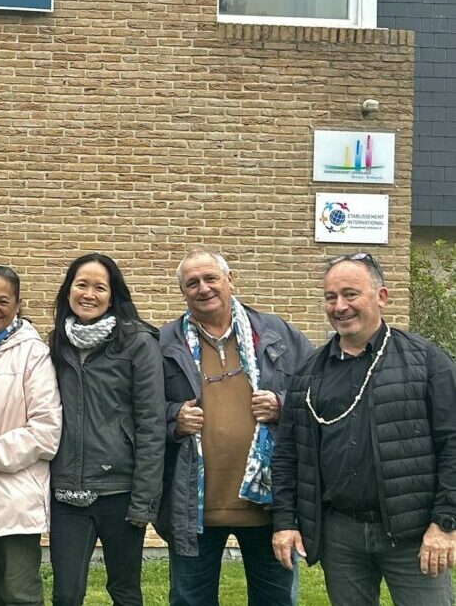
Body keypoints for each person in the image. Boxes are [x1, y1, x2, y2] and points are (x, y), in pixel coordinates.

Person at [271, 254, 456, 606]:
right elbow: (288, 454)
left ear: (381, 296)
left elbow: (453, 444)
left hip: (415, 535)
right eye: (330, 297)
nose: (339, 306)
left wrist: (445, 523)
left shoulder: (428, 361)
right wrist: (285, 520)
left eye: (350, 294)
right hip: (341, 535)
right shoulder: (309, 373)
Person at [157, 249, 312, 606]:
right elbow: (143, 409)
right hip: (194, 507)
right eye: (192, 282)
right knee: (189, 601)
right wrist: (174, 419)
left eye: (211, 278)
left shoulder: (277, 334)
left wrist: (281, 405)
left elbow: (318, 393)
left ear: (230, 280)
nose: (203, 288)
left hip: (269, 504)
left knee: (275, 601)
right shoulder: (164, 343)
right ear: (182, 292)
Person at [46, 253, 164, 606]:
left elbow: (151, 423)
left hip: (121, 490)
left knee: (125, 591)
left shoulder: (138, 343)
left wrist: (144, 501)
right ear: (68, 291)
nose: (89, 294)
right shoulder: (55, 342)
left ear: (113, 296)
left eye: (100, 287)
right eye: (81, 285)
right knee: (66, 594)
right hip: (67, 489)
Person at [0, 266, 62, 606]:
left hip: (14, 502)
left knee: (20, 594)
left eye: (2, 301)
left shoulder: (32, 352)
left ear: (18, 304)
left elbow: (45, 432)